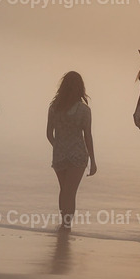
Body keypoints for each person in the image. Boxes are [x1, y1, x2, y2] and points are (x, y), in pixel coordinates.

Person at [46, 71, 97, 228]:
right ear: (80, 88)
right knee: (70, 192)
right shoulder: (84, 110)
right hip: (78, 155)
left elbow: (49, 134)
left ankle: (64, 222)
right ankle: (66, 225)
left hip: (59, 155)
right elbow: (87, 136)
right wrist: (93, 161)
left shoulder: (54, 108)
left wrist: (59, 146)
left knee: (64, 190)